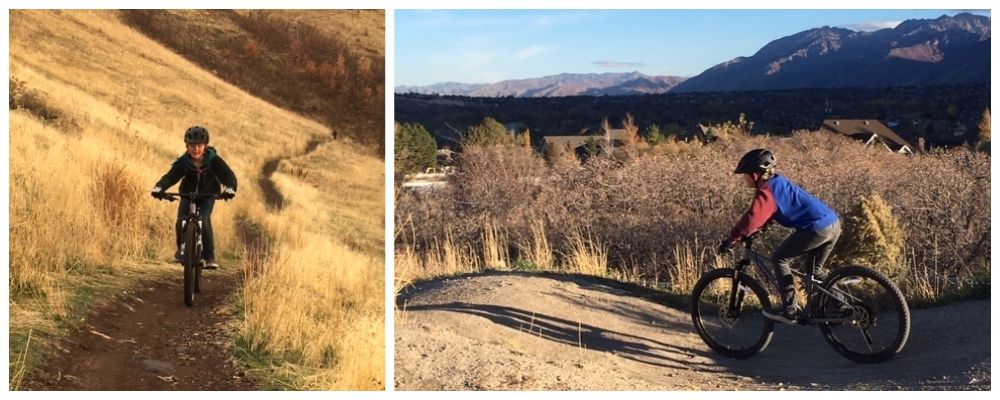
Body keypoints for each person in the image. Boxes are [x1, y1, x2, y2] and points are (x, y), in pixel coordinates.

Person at [719, 149, 842, 324]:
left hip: (816, 228)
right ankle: (843, 306)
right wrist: (754, 232)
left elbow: (752, 218)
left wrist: (732, 239)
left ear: (756, 174)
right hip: (832, 223)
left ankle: (790, 311)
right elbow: (768, 215)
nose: (743, 178)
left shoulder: (767, 192)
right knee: (814, 271)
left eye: (745, 174)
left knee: (779, 259)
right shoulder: (777, 184)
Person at [151, 126, 237, 269]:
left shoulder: (213, 160)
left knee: (203, 220)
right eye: (192, 146)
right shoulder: (184, 161)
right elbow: (171, 176)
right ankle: (182, 250)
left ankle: (209, 257)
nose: (195, 149)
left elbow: (228, 176)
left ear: (205, 146)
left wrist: (230, 188)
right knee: (181, 221)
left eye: (199, 146)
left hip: (207, 196)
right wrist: (159, 187)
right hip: (187, 195)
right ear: (187, 146)